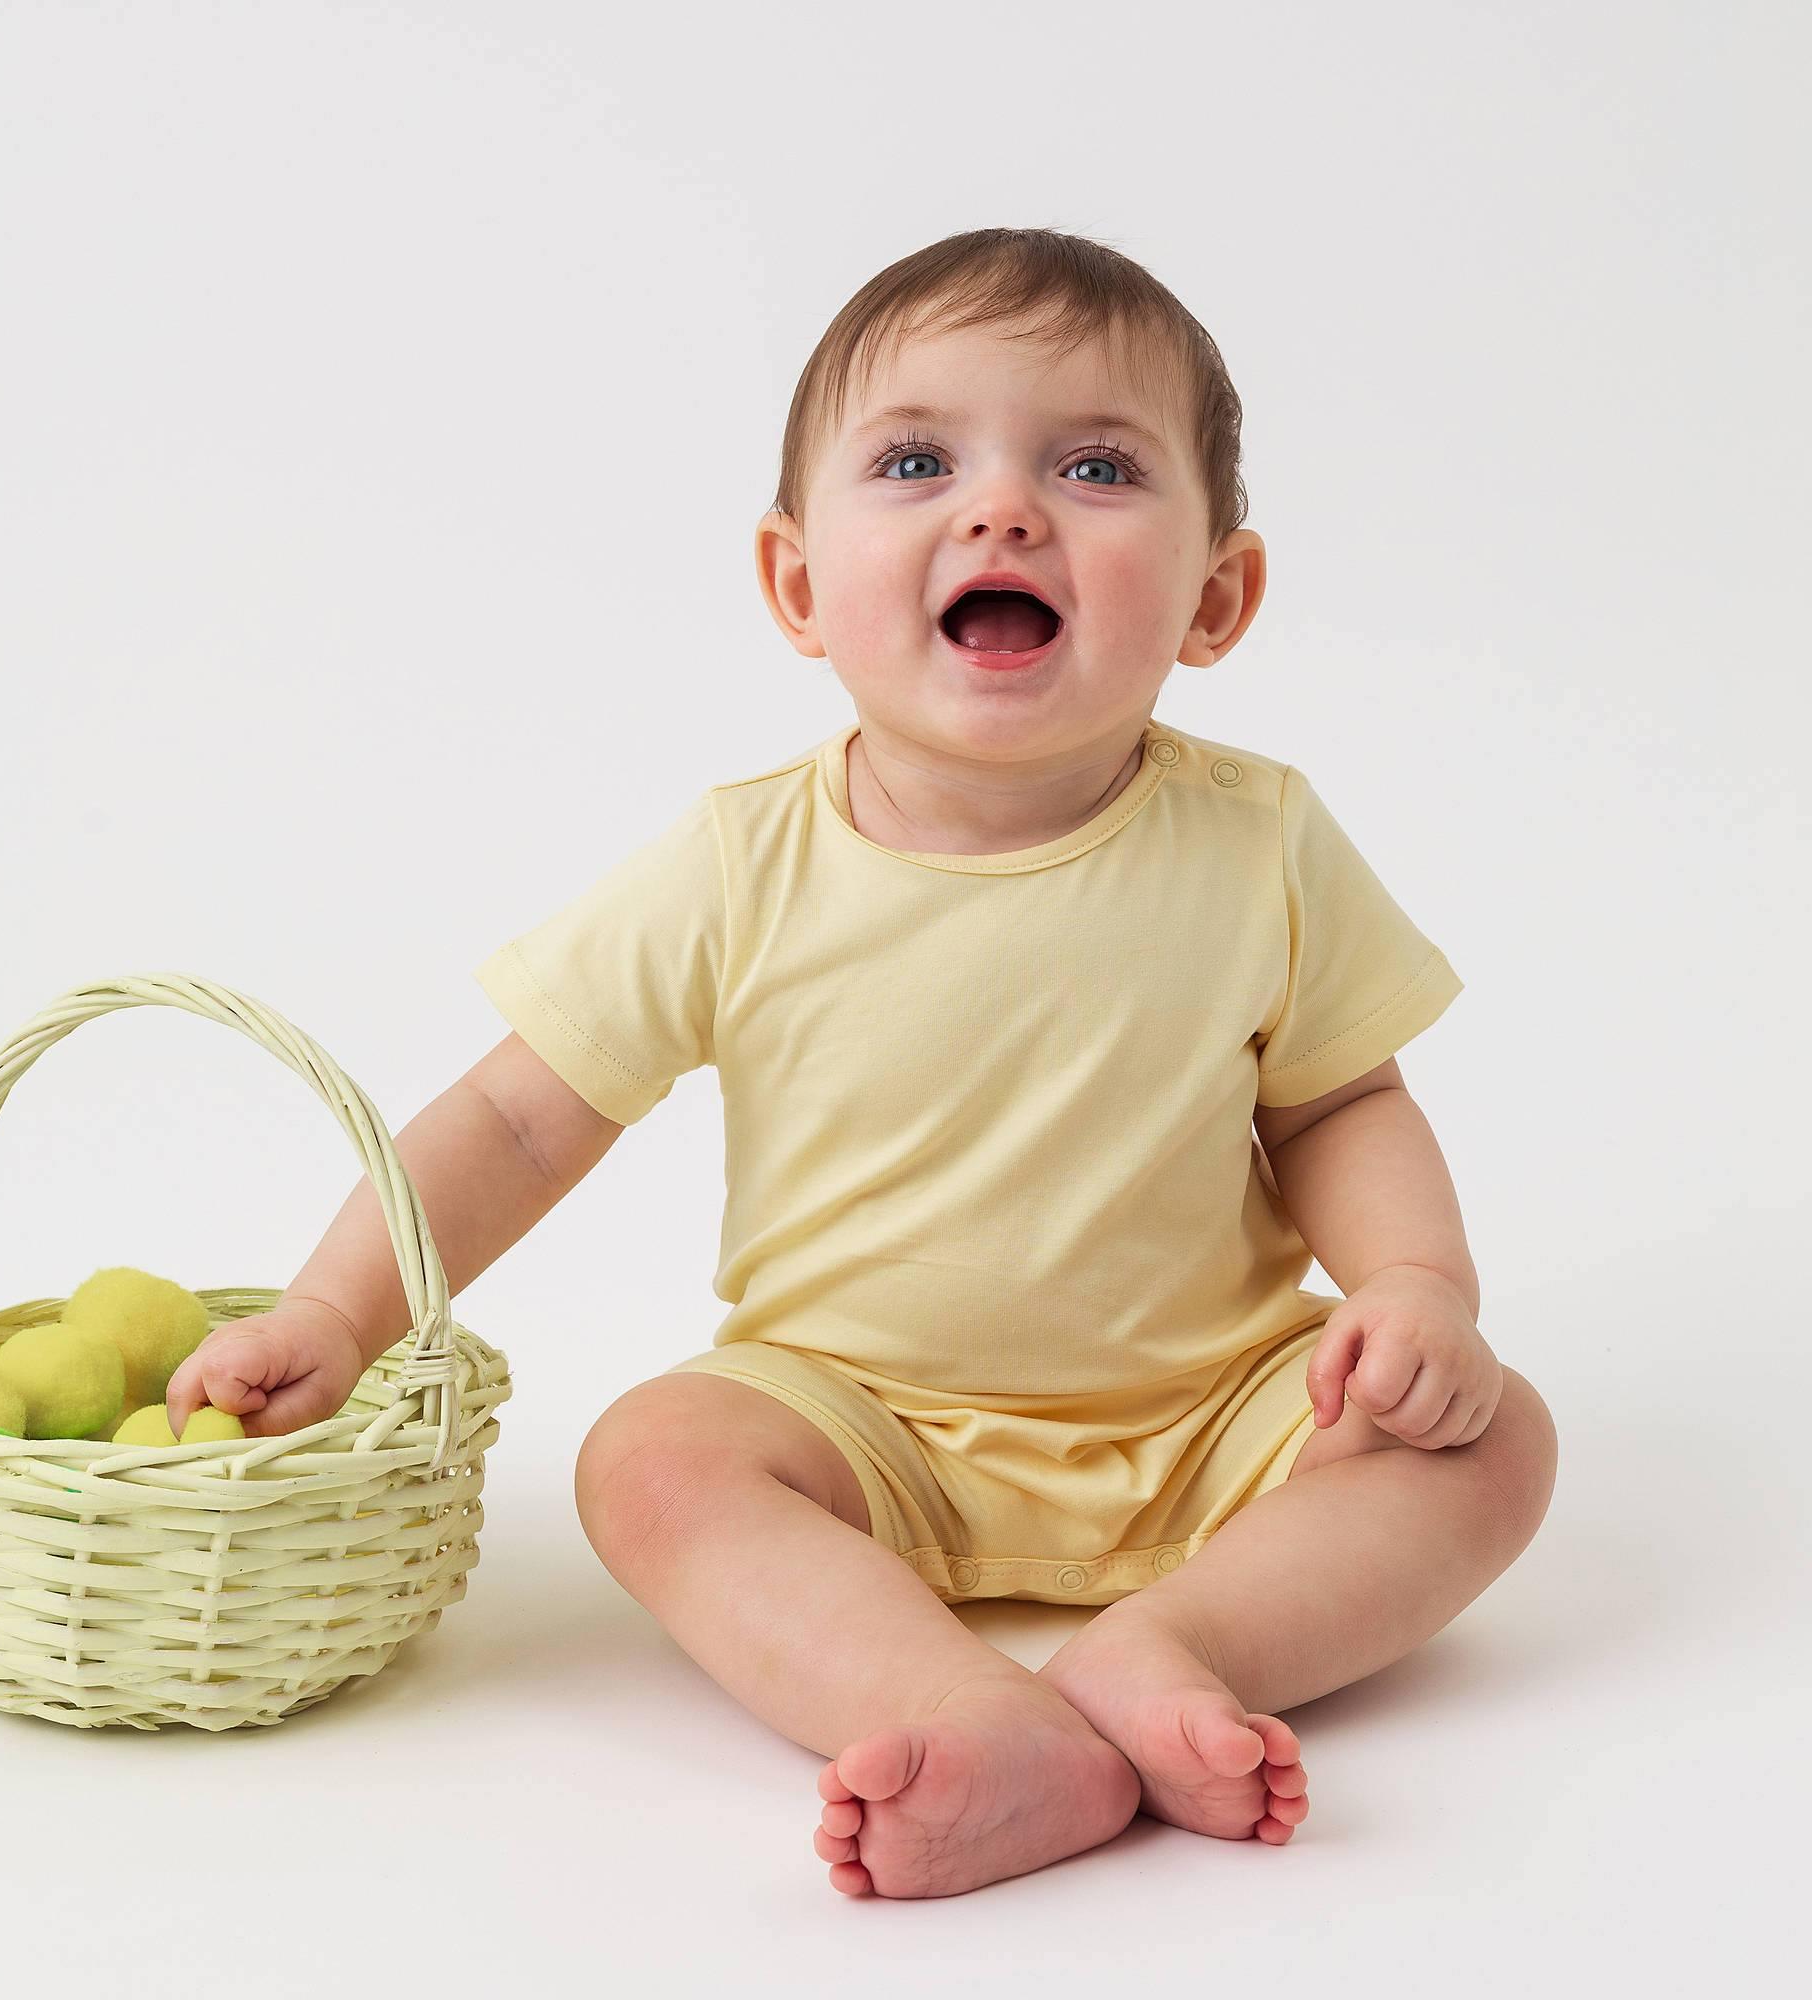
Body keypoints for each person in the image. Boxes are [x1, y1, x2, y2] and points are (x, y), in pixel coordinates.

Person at [167, 226, 1559, 1900]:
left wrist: (1421, 1291)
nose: (1004, 510)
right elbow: (521, 1118)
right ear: (800, 587)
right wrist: (339, 1312)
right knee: (654, 1460)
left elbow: (1343, 1099)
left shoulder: (1256, 840)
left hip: (1218, 1409)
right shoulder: (738, 864)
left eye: (1096, 466)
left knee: (1491, 1440)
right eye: (917, 460)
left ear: (1216, 598)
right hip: (856, 1421)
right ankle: (961, 1714)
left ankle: (1171, 1648)